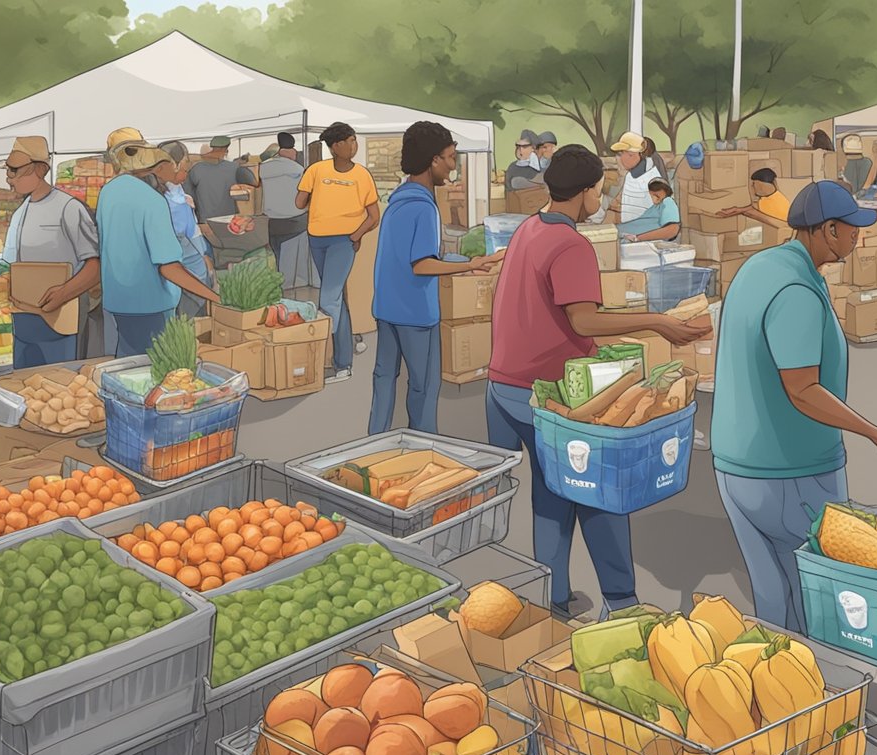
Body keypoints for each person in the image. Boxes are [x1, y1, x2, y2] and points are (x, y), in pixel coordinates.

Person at [485, 145, 709, 619]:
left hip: (504, 386)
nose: (600, 199)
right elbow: (584, 321)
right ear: (586, 192)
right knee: (601, 490)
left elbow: (551, 315)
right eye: (599, 190)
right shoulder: (571, 245)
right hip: (545, 393)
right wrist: (657, 323)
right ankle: (623, 605)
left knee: (550, 493)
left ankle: (553, 598)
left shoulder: (529, 229)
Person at [713, 180, 877, 632]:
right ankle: (824, 691)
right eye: (852, 229)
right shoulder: (795, 290)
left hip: (738, 464)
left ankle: (783, 690)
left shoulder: (764, 267)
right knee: (824, 596)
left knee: (774, 595)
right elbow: (802, 389)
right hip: (789, 470)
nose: (859, 237)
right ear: (828, 230)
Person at [370, 122, 503, 435]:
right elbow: (422, 265)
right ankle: (424, 447)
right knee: (423, 389)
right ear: (433, 160)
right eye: (451, 157)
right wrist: (466, 265)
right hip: (417, 313)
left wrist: (470, 263)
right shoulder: (425, 208)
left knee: (384, 381)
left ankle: (373, 442)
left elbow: (413, 257)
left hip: (387, 309)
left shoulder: (397, 202)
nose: (453, 165)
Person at [97, 128, 221, 356]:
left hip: (119, 301)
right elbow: (169, 266)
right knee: (156, 367)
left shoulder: (108, 193)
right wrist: (215, 297)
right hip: (151, 303)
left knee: (127, 366)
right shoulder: (151, 200)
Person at [0, 136, 100, 368]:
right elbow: (12, 268)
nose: (9, 179)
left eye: (14, 171)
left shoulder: (69, 208)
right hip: (24, 325)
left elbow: (95, 267)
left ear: (40, 169)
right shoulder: (19, 214)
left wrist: (64, 293)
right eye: (8, 171)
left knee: (61, 389)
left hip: (61, 325)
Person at [296, 122, 381, 384]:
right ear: (336, 146)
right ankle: (343, 362)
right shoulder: (316, 170)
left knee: (329, 299)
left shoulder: (362, 175)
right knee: (337, 301)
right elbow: (299, 202)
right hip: (317, 240)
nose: (354, 146)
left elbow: (373, 216)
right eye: (350, 141)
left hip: (343, 243)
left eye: (355, 141)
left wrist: (355, 236)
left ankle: (329, 358)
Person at [157, 141, 216, 320]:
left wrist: (205, 256)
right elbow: (184, 235)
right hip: (182, 270)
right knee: (184, 318)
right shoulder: (163, 201)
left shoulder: (178, 192)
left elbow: (193, 231)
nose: (186, 173)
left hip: (193, 266)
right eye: (184, 168)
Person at [261, 132, 311, 287]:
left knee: (275, 255)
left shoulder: (263, 168)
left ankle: (276, 285)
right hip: (294, 221)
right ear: (292, 151)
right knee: (291, 260)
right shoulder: (299, 169)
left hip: (271, 221)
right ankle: (288, 286)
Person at [183, 135, 259, 230]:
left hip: (205, 220)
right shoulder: (234, 168)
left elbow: (188, 194)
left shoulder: (196, 169)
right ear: (226, 149)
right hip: (229, 220)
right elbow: (254, 182)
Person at [607, 132, 662, 226]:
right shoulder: (630, 176)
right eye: (621, 154)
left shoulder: (652, 178)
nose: (621, 159)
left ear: (640, 155)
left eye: (629, 154)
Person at [718, 169, 791, 230]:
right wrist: (738, 209)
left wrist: (738, 210)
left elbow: (752, 210)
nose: (753, 187)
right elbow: (754, 207)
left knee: (750, 213)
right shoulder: (768, 198)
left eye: (754, 184)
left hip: (785, 226)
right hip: (782, 224)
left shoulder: (776, 200)